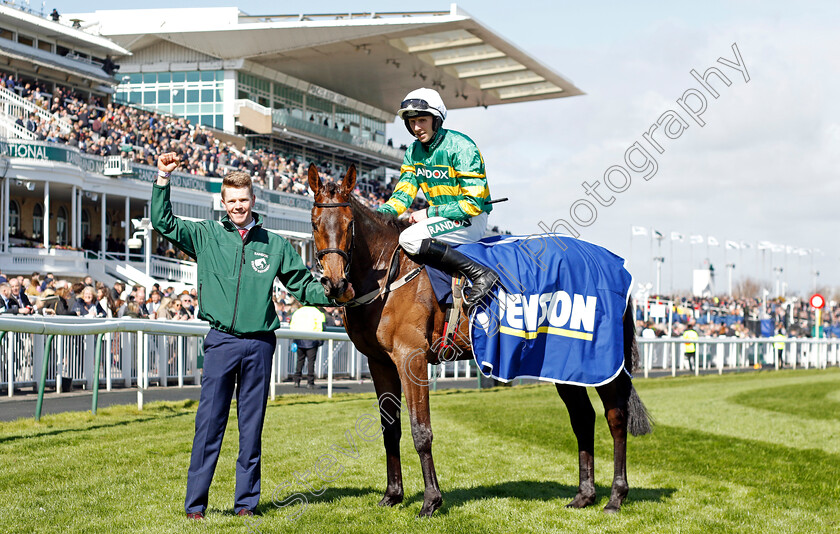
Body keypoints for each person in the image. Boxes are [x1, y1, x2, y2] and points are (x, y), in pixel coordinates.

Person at [152, 152, 354, 520]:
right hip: (221, 342)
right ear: (223, 203)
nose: (237, 207)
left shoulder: (275, 244)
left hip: (259, 344)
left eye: (243, 200)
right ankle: (195, 506)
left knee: (251, 427)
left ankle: (246, 504)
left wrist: (331, 293)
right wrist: (163, 179)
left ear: (252, 201)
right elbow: (162, 222)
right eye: (231, 201)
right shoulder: (204, 235)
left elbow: (301, 285)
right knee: (209, 425)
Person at [377, 88, 498, 306]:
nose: (416, 127)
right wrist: (376, 216)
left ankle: (481, 274)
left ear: (437, 120)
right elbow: (402, 195)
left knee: (409, 239)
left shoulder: (462, 147)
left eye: (422, 120)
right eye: (412, 122)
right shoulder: (413, 152)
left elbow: (473, 203)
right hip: (442, 220)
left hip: (470, 219)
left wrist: (429, 212)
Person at [289, 303, 326, 389]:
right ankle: (310, 382)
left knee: (300, 361)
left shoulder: (297, 312)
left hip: (299, 339)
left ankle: (296, 381)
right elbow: (321, 327)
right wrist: (320, 341)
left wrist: (294, 339)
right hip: (312, 340)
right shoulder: (318, 312)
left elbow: (292, 325)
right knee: (311, 362)